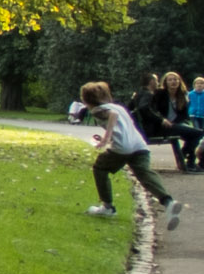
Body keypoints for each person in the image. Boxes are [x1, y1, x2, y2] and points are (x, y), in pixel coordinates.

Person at [82, 81, 185, 228]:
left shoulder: (98, 110)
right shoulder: (119, 107)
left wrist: (106, 137)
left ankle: (107, 207)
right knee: (145, 175)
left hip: (123, 148)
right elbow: (121, 125)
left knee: (100, 168)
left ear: (86, 99)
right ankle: (168, 202)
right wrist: (109, 136)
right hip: (139, 145)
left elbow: (113, 115)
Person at [143, 71, 203, 173]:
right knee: (198, 133)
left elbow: (184, 115)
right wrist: (163, 120)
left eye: (175, 79)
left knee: (194, 134)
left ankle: (188, 161)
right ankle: (187, 159)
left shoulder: (182, 95)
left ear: (179, 82)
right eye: (170, 80)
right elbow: (154, 110)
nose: (173, 82)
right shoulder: (160, 94)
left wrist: (176, 122)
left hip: (174, 125)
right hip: (161, 126)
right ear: (165, 82)